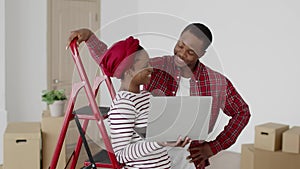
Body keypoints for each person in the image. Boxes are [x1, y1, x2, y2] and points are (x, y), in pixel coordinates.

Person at [68, 22, 251, 169]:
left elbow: (242, 112)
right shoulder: (154, 68)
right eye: (180, 45)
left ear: (201, 54)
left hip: (189, 158)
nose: (181, 54)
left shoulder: (217, 82)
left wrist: (213, 147)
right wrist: (91, 38)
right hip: (150, 156)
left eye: (190, 52)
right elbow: (116, 61)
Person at [94, 36, 190, 168]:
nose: (151, 68)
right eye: (145, 65)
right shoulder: (123, 105)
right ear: (128, 71)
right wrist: (159, 142)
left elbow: (150, 136)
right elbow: (121, 154)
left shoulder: (145, 96)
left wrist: (172, 135)